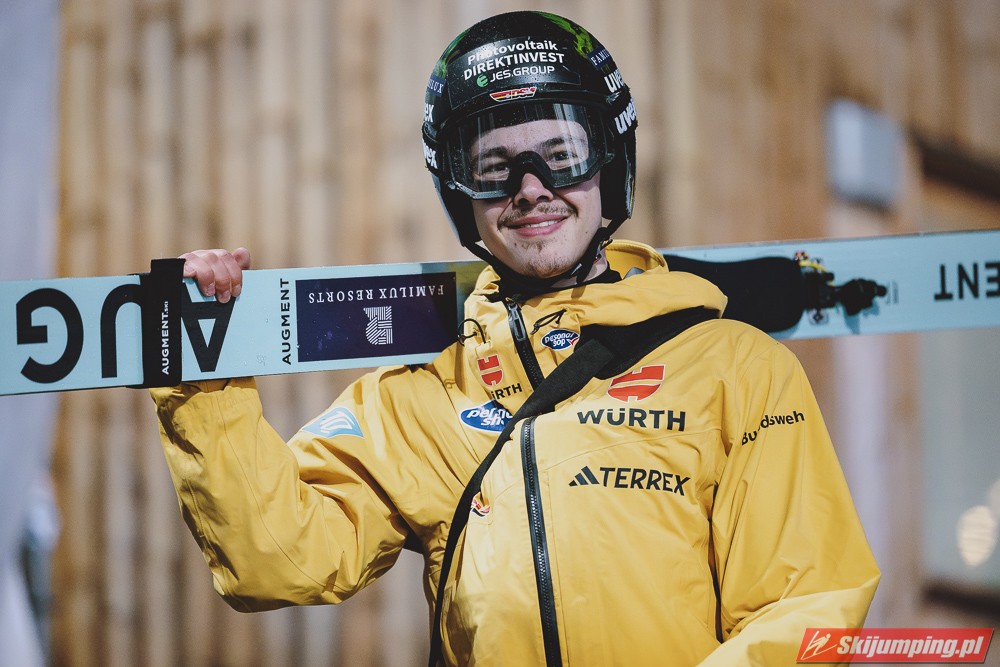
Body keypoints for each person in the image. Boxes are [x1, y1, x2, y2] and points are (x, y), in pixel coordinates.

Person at [153, 11, 880, 666]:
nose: (530, 188)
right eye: (494, 168)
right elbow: (277, 558)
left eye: (560, 154)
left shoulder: (736, 369)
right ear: (461, 195)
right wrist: (202, 376)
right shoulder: (424, 397)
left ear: (609, 166)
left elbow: (807, 602)